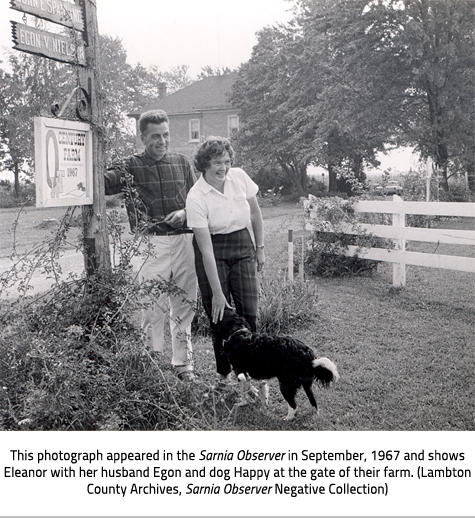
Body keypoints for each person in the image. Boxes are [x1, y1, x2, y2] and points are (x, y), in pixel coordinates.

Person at [104, 109, 198, 382]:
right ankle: (152, 366)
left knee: (184, 306)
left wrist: (184, 213)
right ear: (142, 137)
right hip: (150, 245)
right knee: (151, 307)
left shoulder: (182, 162)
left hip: (184, 241)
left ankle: (183, 366)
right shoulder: (129, 166)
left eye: (166, 135)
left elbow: (196, 201)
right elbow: (104, 182)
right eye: (155, 136)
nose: (162, 140)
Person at [186, 137, 265, 388]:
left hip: (242, 244)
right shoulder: (196, 196)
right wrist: (218, 294)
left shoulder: (239, 177)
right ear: (204, 165)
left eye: (227, 161)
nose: (224, 168)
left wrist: (260, 248)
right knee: (219, 315)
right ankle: (223, 374)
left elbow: (255, 213)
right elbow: (205, 249)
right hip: (212, 249)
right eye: (217, 163)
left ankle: (249, 374)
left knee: (249, 311)